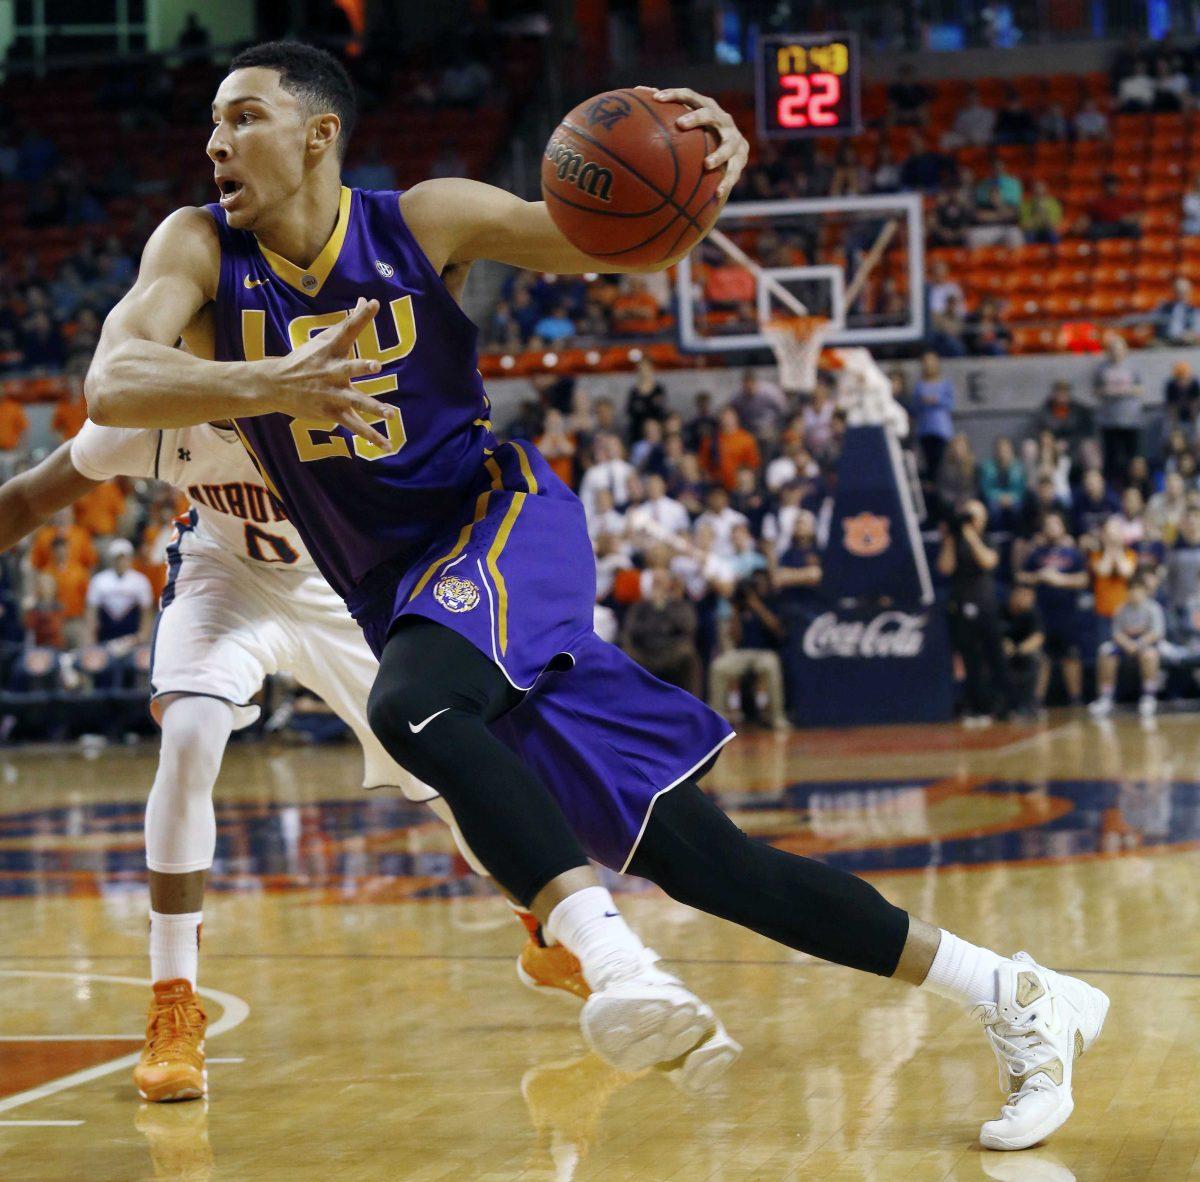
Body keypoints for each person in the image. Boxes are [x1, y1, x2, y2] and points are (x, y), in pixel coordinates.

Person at [84, 42, 1107, 1149]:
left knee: (411, 709)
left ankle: (613, 963)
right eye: (213, 123)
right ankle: (1016, 994)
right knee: (707, 860)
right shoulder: (196, 246)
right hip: (399, 593)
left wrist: (709, 176)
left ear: (318, 134)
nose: (215, 142)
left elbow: (622, 241)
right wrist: (265, 384)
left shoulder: (425, 220)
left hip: (495, 522)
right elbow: (111, 376)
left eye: (243, 118)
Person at [938, 499, 1010, 725]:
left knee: (995, 657)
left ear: (983, 519)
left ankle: (1006, 705)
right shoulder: (954, 540)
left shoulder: (988, 539)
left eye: (974, 516)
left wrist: (970, 535)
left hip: (986, 605)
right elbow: (945, 568)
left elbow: (988, 561)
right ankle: (978, 707)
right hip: (961, 605)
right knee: (971, 660)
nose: (970, 520)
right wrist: (950, 537)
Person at [1017, 512, 1088, 708]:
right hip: (1043, 613)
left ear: (1063, 528)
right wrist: (1039, 577)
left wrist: (1060, 580)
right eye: (1047, 524)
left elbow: (1084, 580)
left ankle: (1076, 699)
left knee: (1071, 656)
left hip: (1068, 613)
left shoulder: (1073, 553)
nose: (1051, 528)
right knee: (1043, 657)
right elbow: (1022, 576)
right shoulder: (1036, 554)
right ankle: (1037, 700)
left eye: (1055, 524)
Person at [1089, 574, 1164, 719]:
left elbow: (1156, 633)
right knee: (1106, 653)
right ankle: (1106, 697)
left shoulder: (1153, 607)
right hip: (1125, 644)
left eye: (1137, 590)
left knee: (1149, 655)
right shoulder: (1121, 609)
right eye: (1131, 590)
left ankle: (1149, 696)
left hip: (1147, 644)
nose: (1134, 593)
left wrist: (1139, 644)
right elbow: (1116, 633)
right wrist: (1128, 644)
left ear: (1144, 591)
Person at [1093, 333, 1145, 485]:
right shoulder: (1101, 368)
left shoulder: (1133, 367)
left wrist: (1125, 390)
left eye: (1119, 349)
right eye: (1113, 349)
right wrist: (1108, 391)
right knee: (1111, 459)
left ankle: (1134, 488)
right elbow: (1095, 390)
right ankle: (1113, 487)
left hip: (1130, 419)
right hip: (1109, 420)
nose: (1116, 352)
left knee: (1133, 458)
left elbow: (1140, 389)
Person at [86, 537, 153, 645]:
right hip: (105, 635)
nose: (121, 562)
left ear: (130, 559)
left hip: (132, 637)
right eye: (118, 558)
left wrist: (142, 637)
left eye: (124, 558)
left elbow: (145, 613)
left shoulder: (140, 581)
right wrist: (91, 639)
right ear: (112, 559)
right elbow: (92, 612)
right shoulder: (99, 580)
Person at [1001, 585, 1044, 718]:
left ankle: (1031, 703)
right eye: (1022, 594)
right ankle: (1001, 705)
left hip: (1021, 652)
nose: (1025, 599)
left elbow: (1038, 637)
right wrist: (1003, 644)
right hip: (1001, 653)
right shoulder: (1000, 609)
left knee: (1037, 658)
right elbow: (993, 635)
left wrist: (1018, 649)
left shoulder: (1032, 612)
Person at [912, 351, 955, 481]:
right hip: (925, 429)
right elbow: (915, 407)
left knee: (941, 464)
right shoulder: (919, 386)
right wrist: (923, 402)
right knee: (927, 463)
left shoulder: (946, 384)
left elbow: (950, 404)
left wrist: (937, 400)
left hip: (941, 429)